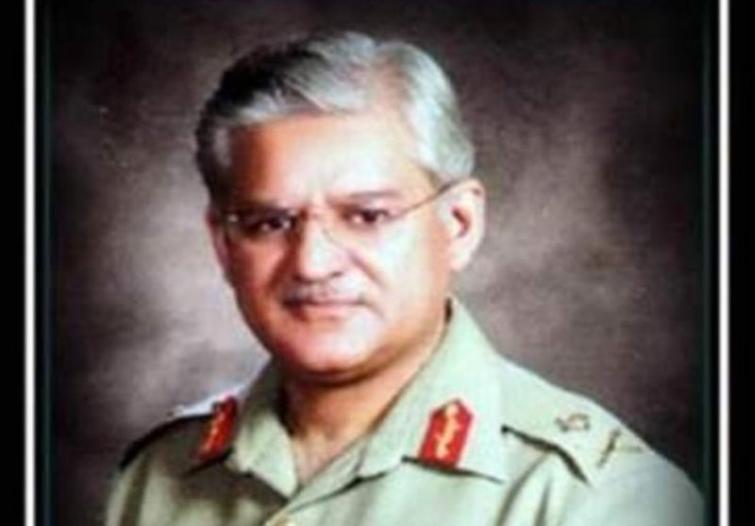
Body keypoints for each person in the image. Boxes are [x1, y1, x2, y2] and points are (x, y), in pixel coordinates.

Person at [105, 31, 702, 525]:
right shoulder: (156, 481)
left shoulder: (598, 500)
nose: (312, 262)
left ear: (459, 225)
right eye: (270, 223)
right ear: (223, 245)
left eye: (367, 217)